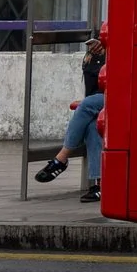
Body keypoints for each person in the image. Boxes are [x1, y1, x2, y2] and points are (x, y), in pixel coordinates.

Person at [33, 36, 106, 201]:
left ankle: (61, 158)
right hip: (99, 97)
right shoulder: (96, 54)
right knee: (93, 127)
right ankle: (100, 185)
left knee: (86, 105)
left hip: (120, 93)